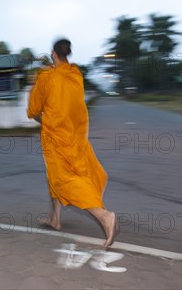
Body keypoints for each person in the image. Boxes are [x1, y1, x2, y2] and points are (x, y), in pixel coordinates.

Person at [27, 38, 118, 247]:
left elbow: (33, 111)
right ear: (68, 54)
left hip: (56, 140)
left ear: (53, 53)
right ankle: (55, 219)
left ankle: (104, 217)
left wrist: (35, 86)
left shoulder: (46, 78)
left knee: (64, 180)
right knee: (56, 178)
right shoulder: (76, 75)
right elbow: (74, 107)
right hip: (75, 138)